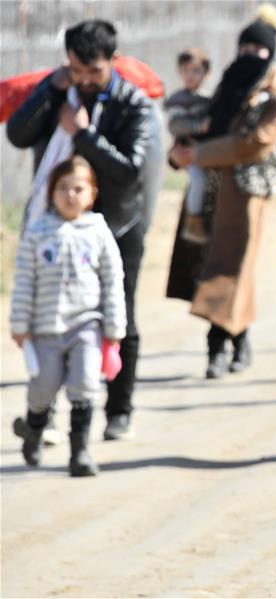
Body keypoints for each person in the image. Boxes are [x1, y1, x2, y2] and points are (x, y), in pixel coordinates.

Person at [7, 19, 157, 441]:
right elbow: (18, 134)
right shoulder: (59, 92)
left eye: (95, 71)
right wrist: (50, 90)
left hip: (118, 226)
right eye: (77, 71)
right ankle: (49, 413)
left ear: (113, 61)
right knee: (51, 317)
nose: (86, 80)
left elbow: (130, 171)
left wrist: (84, 134)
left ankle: (119, 409)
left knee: (119, 316)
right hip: (55, 229)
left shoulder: (134, 104)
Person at [168, 4, 276, 379]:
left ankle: (217, 346)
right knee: (214, 265)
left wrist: (199, 154)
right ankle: (239, 339)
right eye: (245, 48)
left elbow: (254, 142)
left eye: (258, 49)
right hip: (212, 188)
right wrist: (181, 154)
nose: (250, 55)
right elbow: (208, 125)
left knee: (230, 267)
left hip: (246, 194)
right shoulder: (230, 84)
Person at [9, 156, 126, 477]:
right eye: (63, 188)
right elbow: (24, 281)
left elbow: (112, 280)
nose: (70, 195)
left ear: (92, 194)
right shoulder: (38, 232)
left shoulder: (98, 231)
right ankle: (34, 428)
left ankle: (80, 452)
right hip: (45, 327)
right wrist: (20, 324)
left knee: (85, 385)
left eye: (78, 188)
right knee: (43, 388)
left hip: (86, 325)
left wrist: (114, 327)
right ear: (51, 192)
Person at [164, 47, 212, 244]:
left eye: (196, 71)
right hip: (187, 149)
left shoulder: (208, 99)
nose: (191, 76)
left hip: (206, 151)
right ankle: (194, 220)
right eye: (186, 71)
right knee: (198, 179)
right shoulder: (178, 100)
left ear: (206, 73)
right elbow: (175, 125)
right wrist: (197, 126)